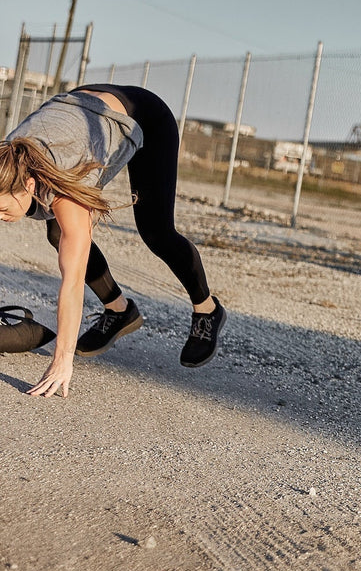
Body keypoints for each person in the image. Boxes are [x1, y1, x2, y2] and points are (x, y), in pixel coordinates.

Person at [0, 84, 227, 397]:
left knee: (156, 232)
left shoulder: (64, 191)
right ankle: (120, 311)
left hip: (144, 115)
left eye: (2, 208)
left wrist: (62, 359)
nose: (1, 216)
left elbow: (72, 282)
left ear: (28, 184)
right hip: (82, 113)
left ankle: (207, 309)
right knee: (57, 230)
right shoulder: (6, 159)